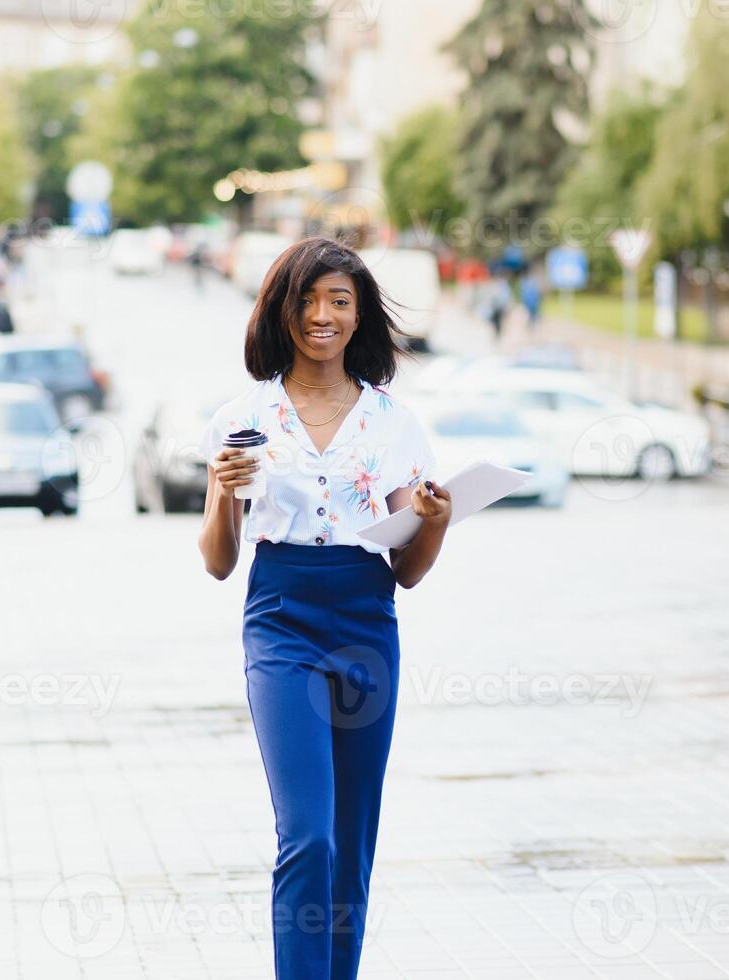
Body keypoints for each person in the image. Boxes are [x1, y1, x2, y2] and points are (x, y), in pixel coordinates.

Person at [198, 237, 451, 980]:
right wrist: (220, 488)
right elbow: (218, 561)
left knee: (352, 838)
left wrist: (432, 522)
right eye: (306, 300)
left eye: (339, 301)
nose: (322, 316)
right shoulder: (242, 417)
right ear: (281, 310)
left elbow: (407, 572)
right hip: (282, 616)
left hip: (367, 620)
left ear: (359, 313)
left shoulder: (393, 422)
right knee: (307, 835)